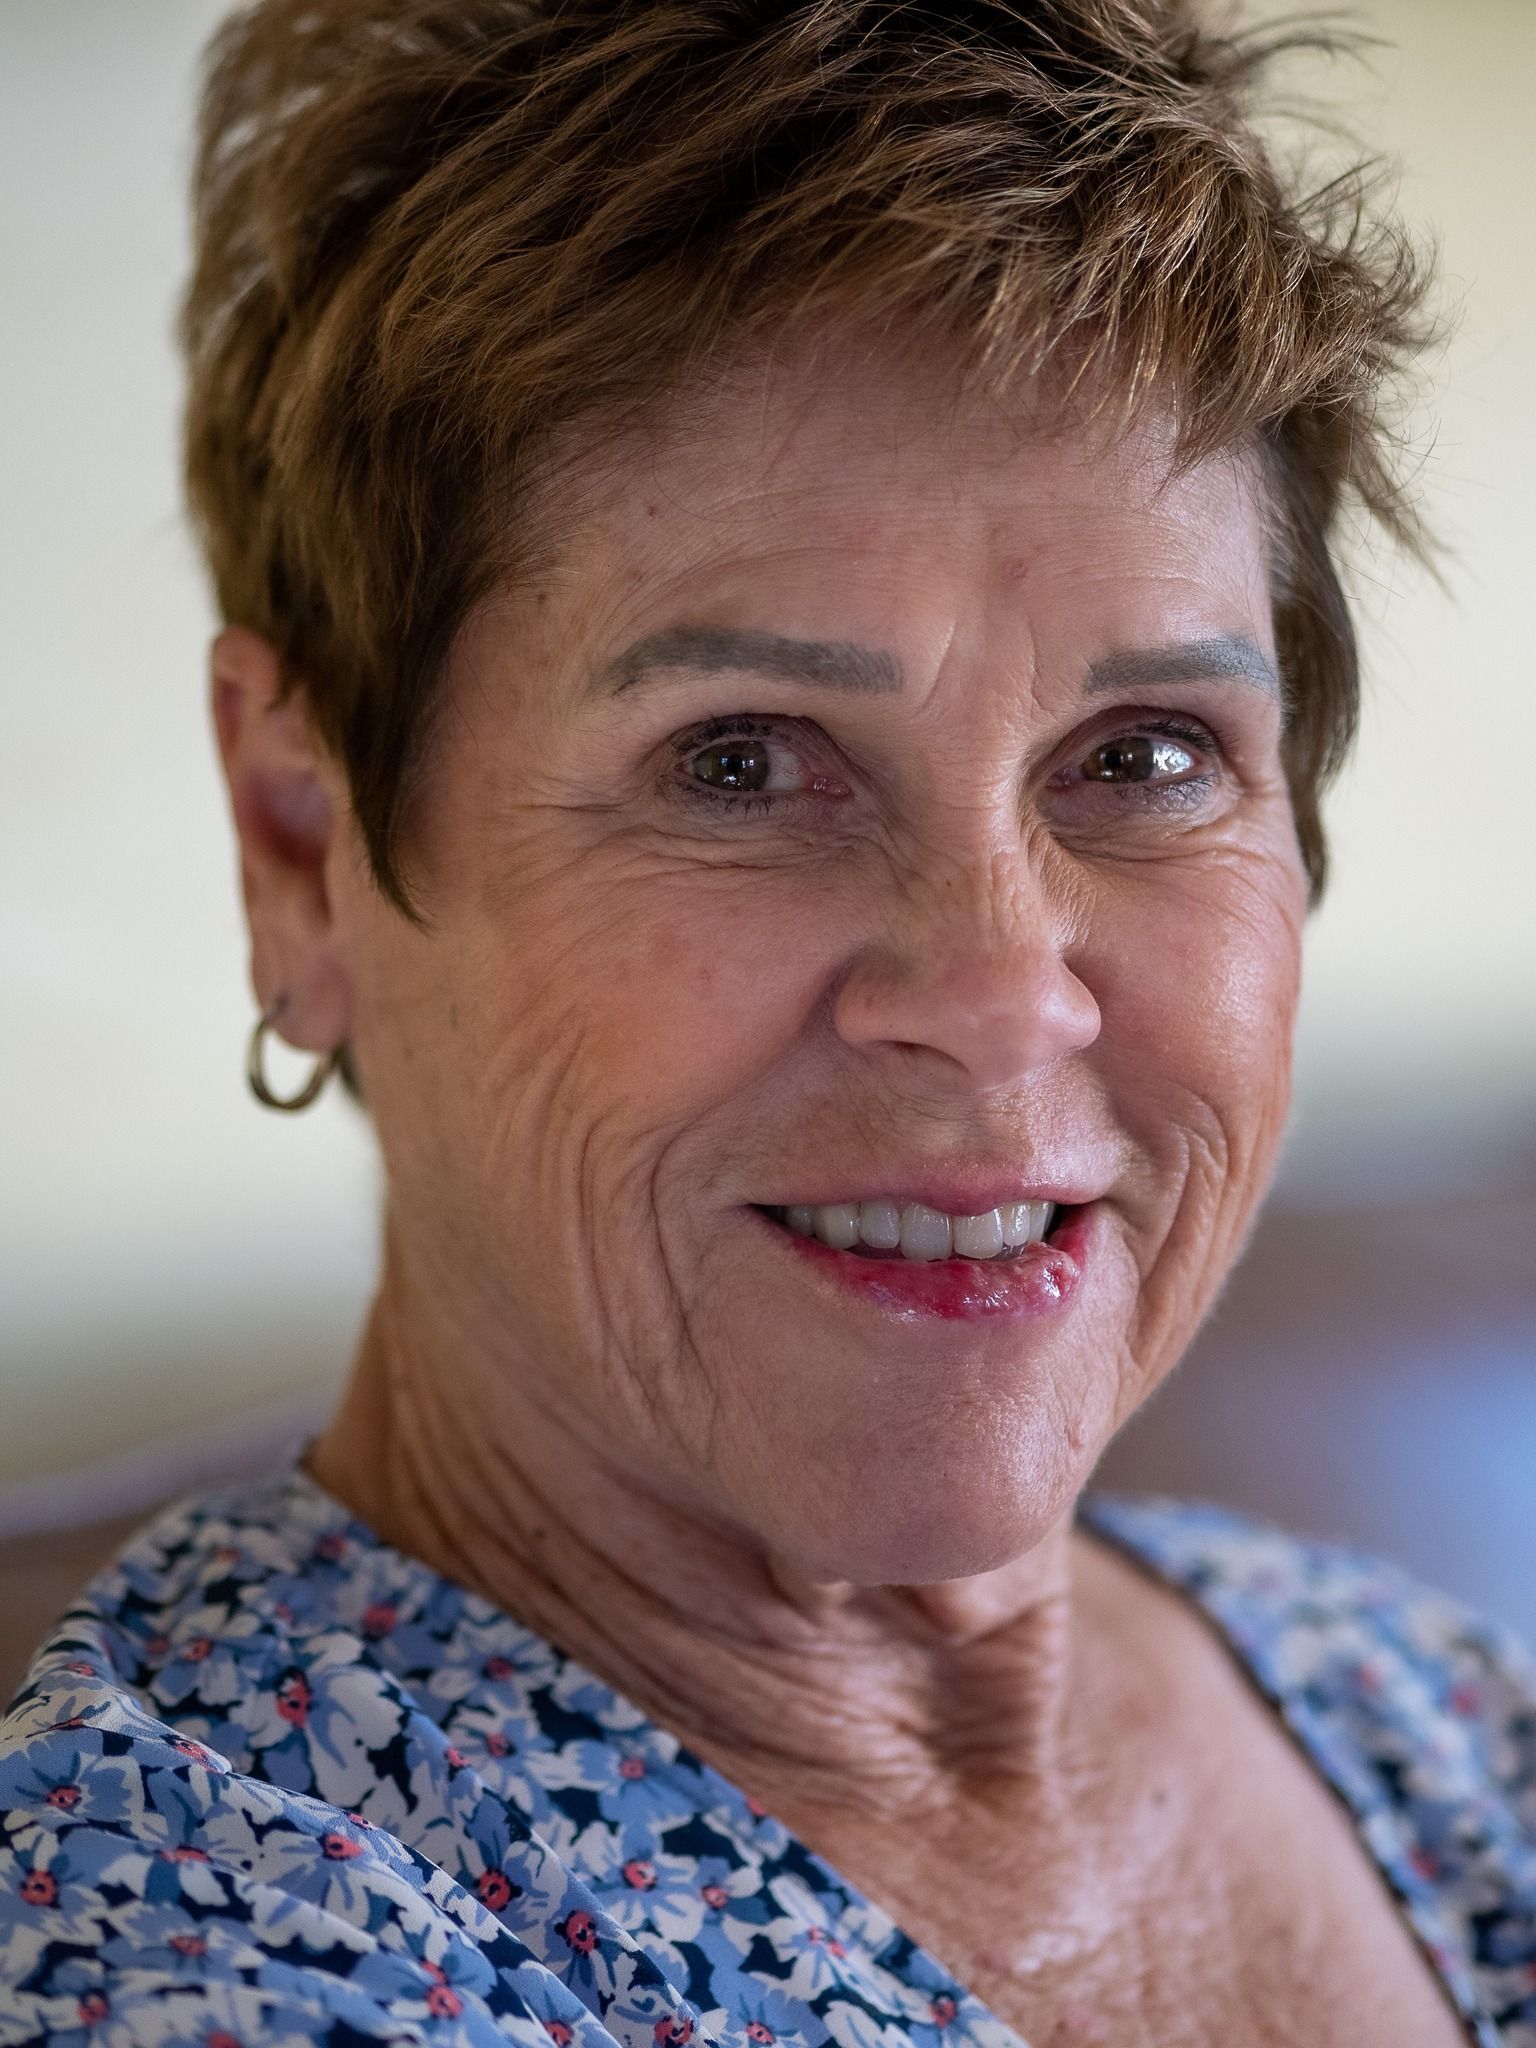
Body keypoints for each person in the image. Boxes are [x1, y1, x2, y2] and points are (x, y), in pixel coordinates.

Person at [2, 0, 1532, 2041]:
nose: (1000, 998)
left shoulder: (1415, 1712)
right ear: (304, 847)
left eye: (1146, 752)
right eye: (741, 761)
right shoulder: (190, 1934)